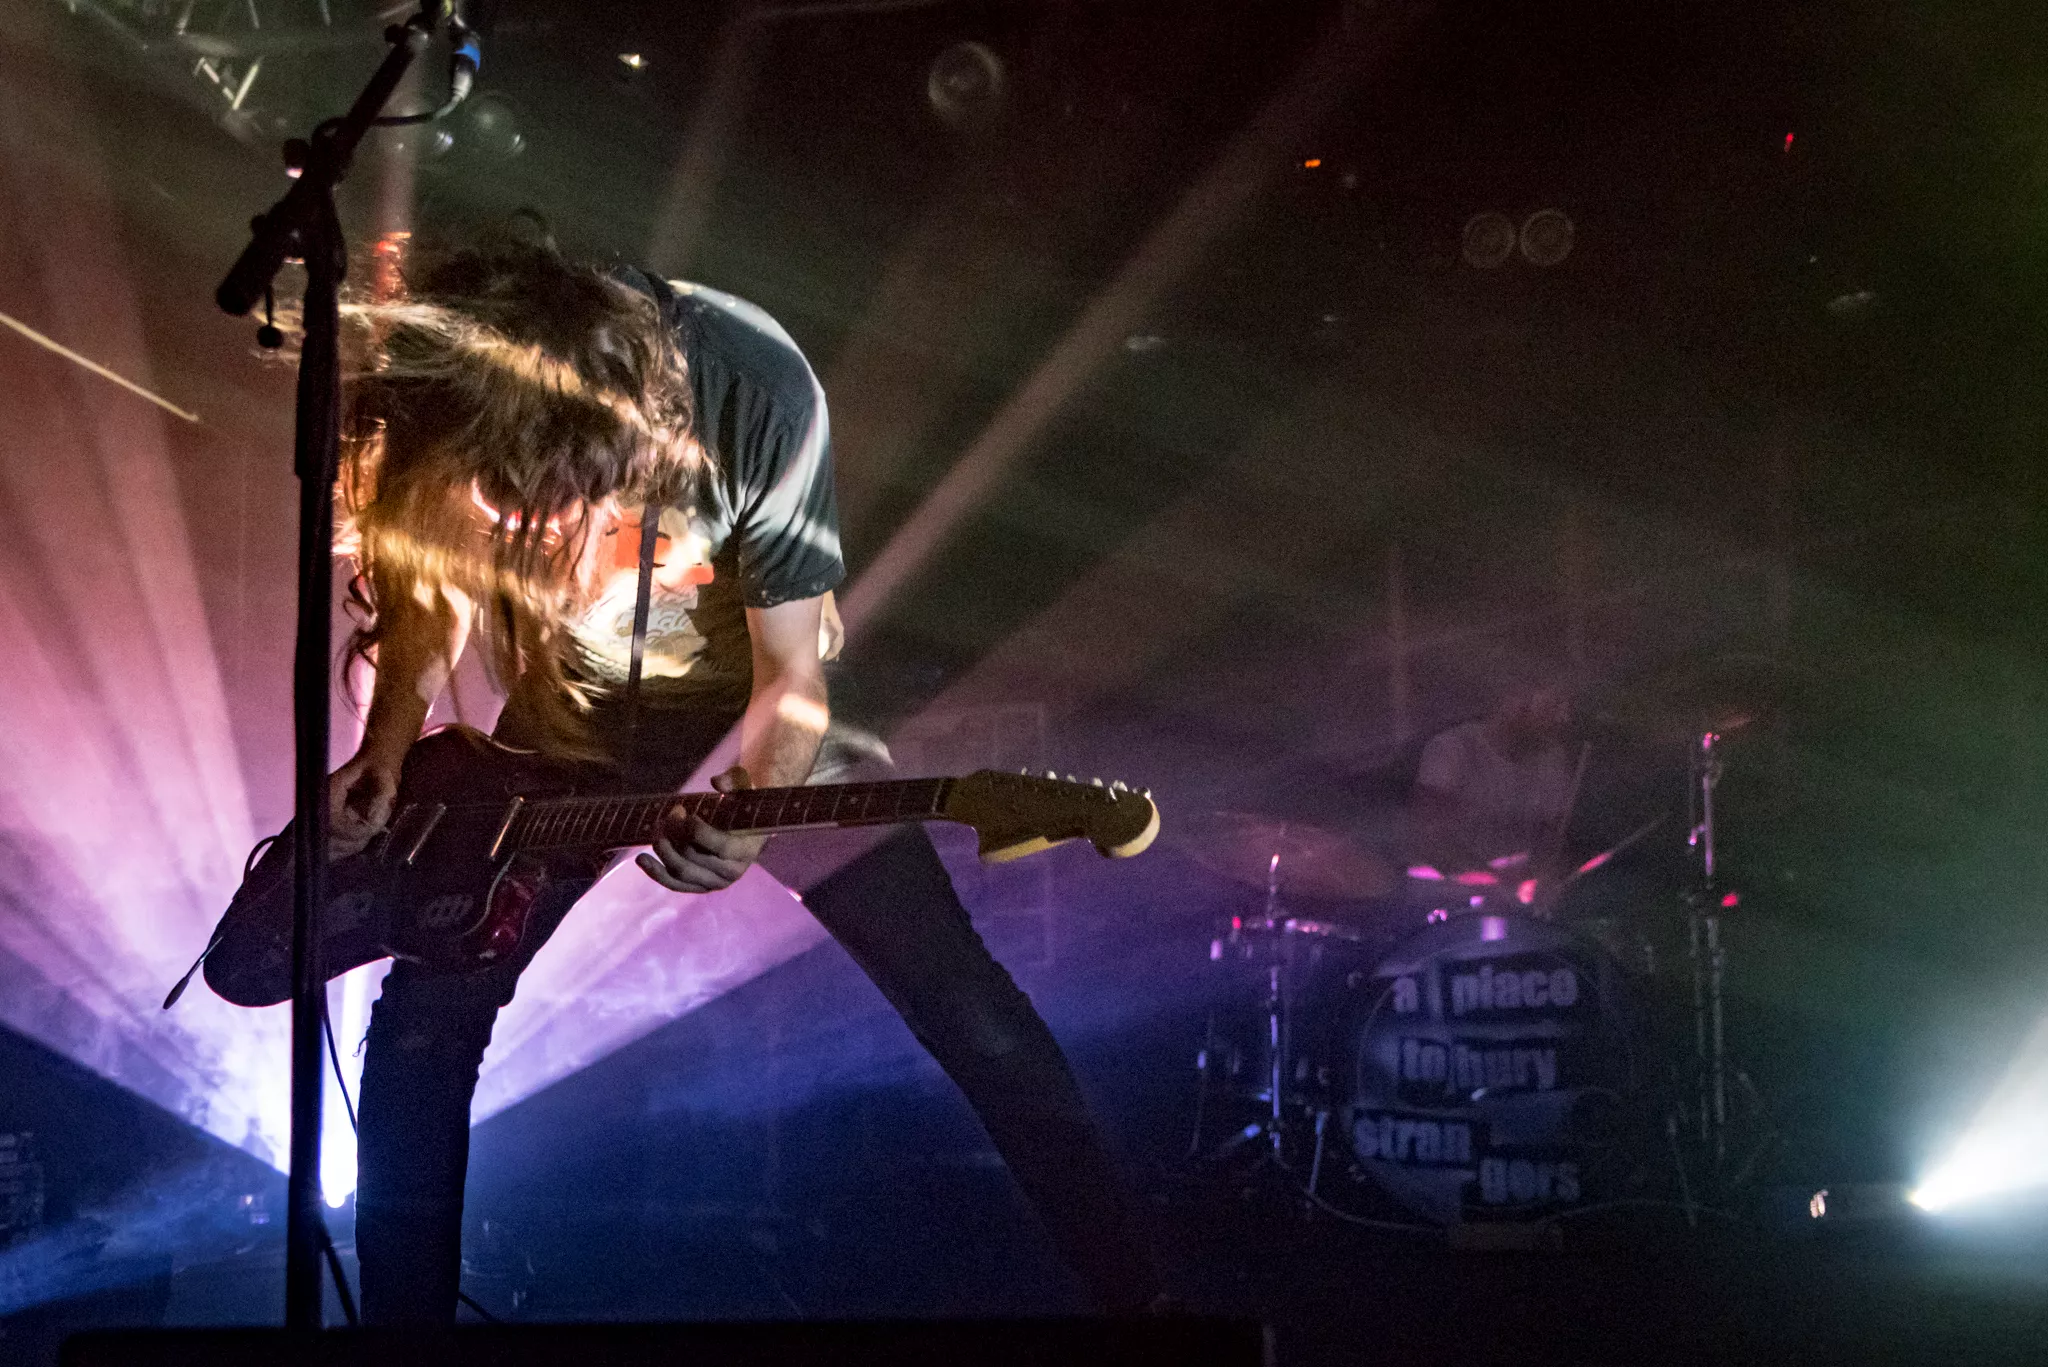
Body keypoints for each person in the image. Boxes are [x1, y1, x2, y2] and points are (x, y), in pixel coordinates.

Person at [326, 242, 1160, 1322]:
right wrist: (390, 742)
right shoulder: (459, 397)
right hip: (561, 734)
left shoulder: (752, 387)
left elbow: (794, 674)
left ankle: (1148, 1310)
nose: (510, 533)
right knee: (425, 1019)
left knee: (962, 998)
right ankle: (400, 1339)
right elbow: (431, 590)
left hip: (749, 718)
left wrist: (750, 814)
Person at [1403, 684, 1582, 916]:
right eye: (1553, 705)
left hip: (1516, 907)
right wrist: (1494, 881)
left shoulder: (1552, 759)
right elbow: (1429, 838)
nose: (1564, 718)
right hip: (1449, 906)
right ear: (1513, 701)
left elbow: (1552, 838)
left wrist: (1548, 875)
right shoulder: (1453, 749)